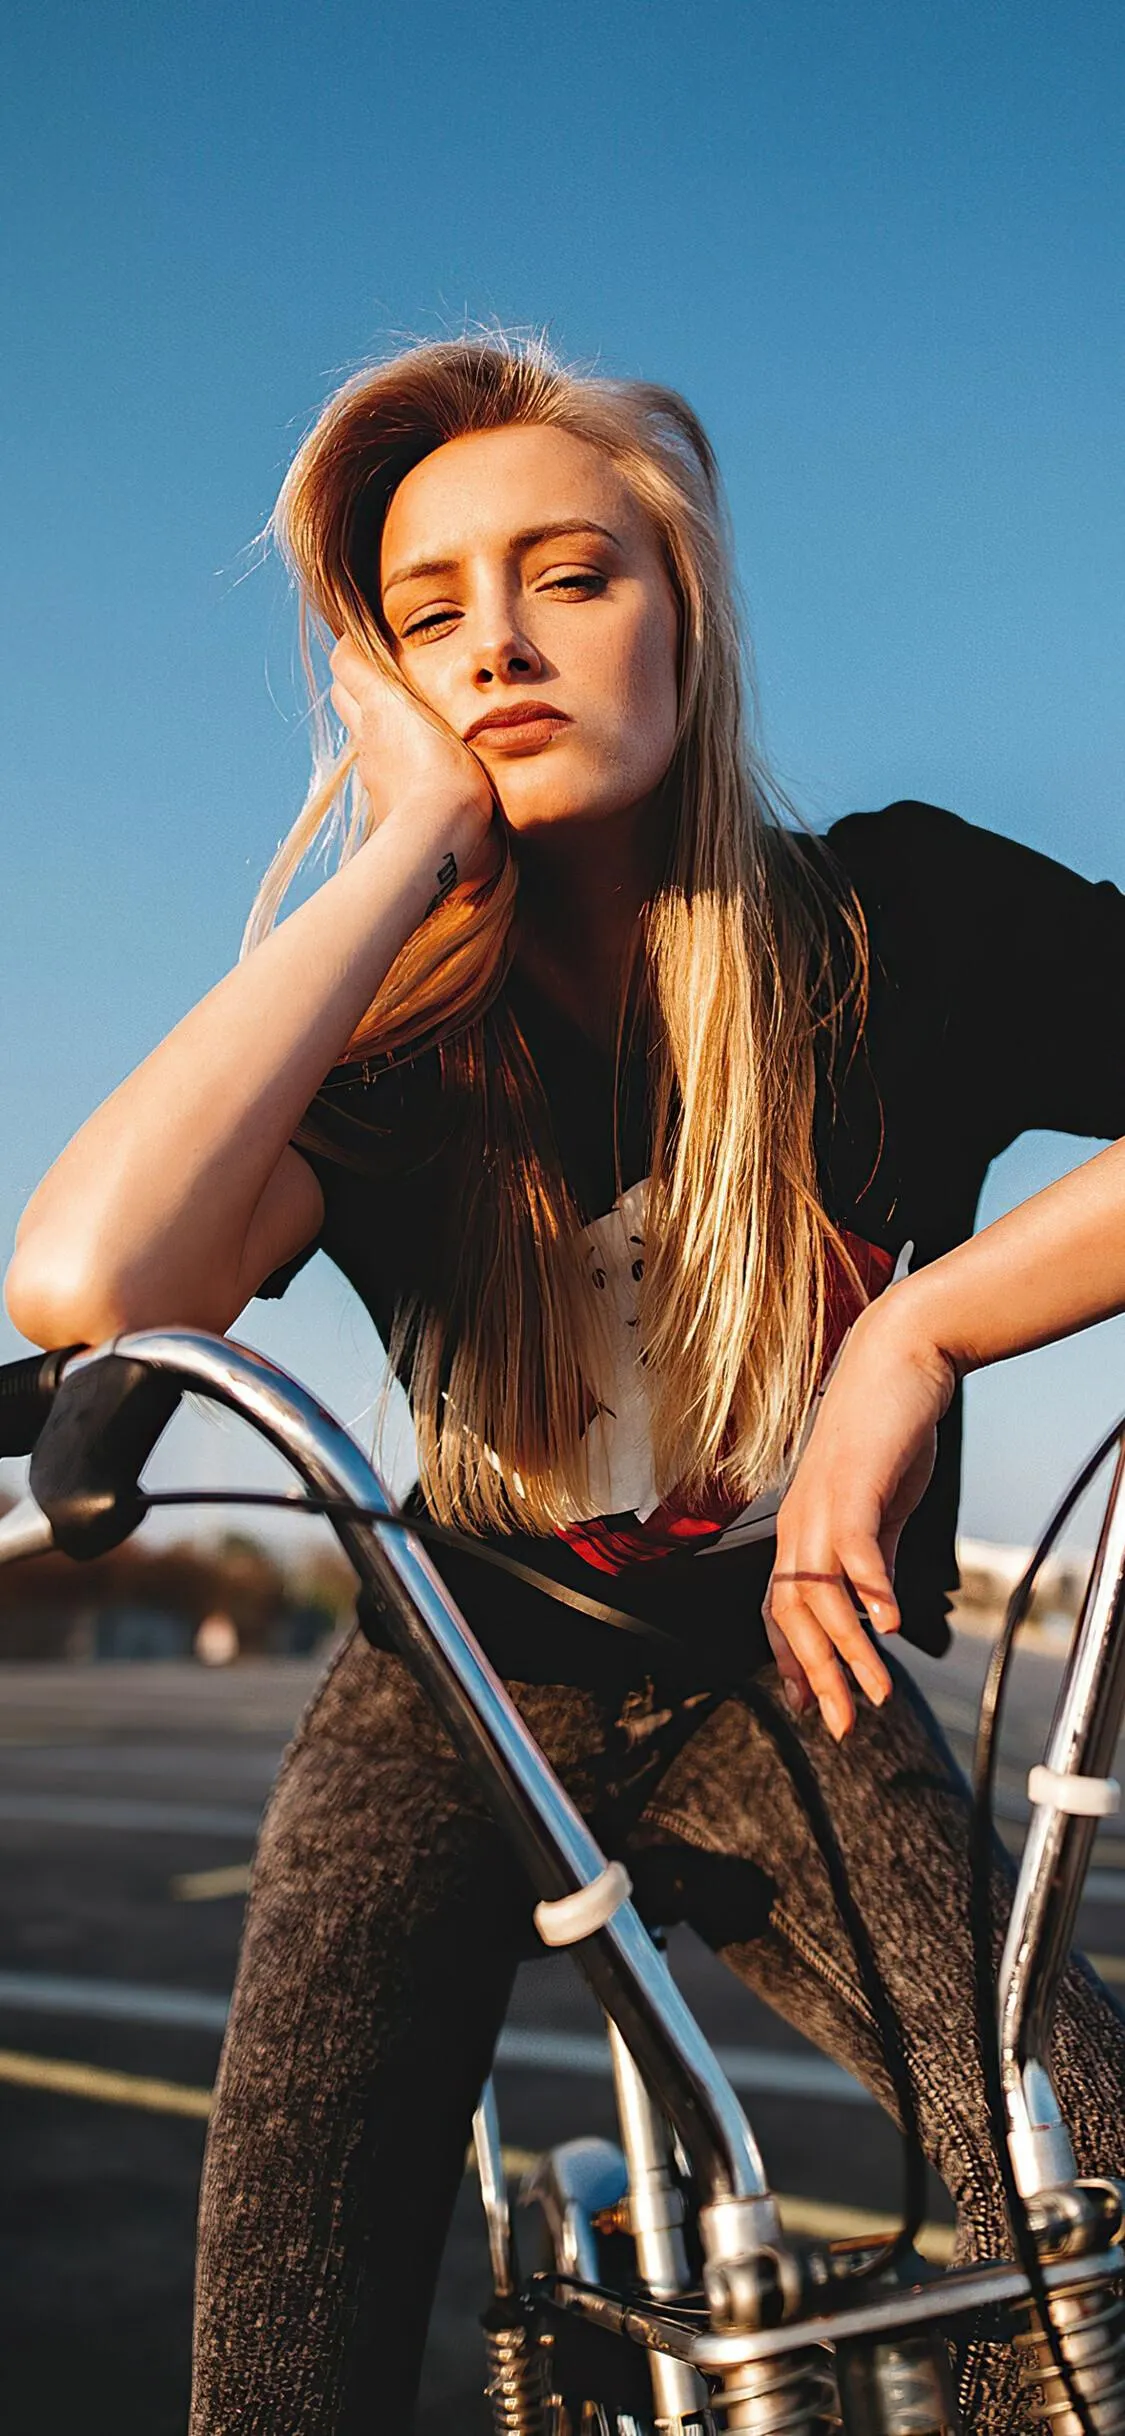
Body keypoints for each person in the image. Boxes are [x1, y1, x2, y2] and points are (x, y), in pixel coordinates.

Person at [8, 333, 1125, 2432]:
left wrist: (924, 1322)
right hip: (460, 1688)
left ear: (685, 620)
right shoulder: (395, 1050)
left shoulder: (896, 924)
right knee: (279, 2337)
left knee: (1080, 2221)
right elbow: (86, 1283)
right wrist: (401, 843)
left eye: (570, 579)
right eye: (428, 617)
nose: (498, 644)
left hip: (799, 1676)